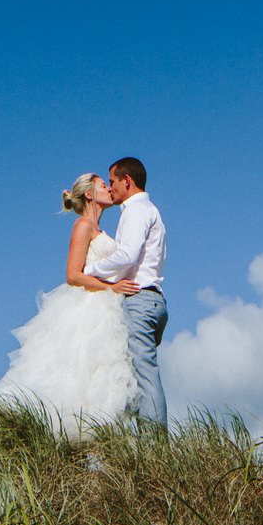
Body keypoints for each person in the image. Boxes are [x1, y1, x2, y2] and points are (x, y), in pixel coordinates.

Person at [0, 174, 139, 430]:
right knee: (78, 370)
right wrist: (112, 287)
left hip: (107, 309)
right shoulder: (83, 226)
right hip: (89, 308)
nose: (109, 189)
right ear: (89, 194)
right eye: (103, 186)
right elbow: (73, 275)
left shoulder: (100, 230)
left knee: (100, 375)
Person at [88, 156, 167, 428]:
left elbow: (126, 255)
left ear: (127, 181)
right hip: (154, 300)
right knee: (136, 376)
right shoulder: (150, 210)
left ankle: (154, 448)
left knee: (144, 376)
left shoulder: (135, 211)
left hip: (140, 300)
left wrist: (91, 270)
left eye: (112, 182)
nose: (110, 188)